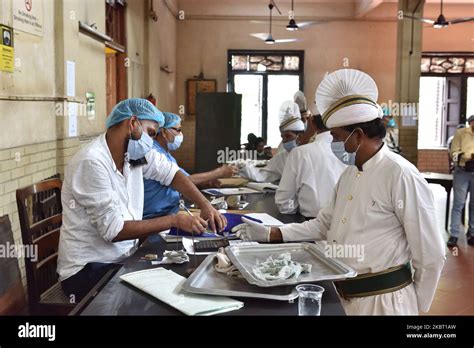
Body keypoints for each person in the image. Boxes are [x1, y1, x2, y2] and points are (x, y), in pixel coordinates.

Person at [239, 69, 445, 315]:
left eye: (336, 137)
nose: (333, 144)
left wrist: (414, 305)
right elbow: (324, 224)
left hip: (384, 303)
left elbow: (431, 254)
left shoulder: (400, 174)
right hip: (345, 295)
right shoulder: (350, 173)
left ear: (358, 135)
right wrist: (272, 233)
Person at [57, 99, 227, 301]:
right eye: (151, 133)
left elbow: (172, 174)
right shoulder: (92, 162)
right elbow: (114, 230)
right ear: (132, 123)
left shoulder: (134, 154)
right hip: (86, 271)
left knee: (179, 282)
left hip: (122, 258)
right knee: (162, 296)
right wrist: (174, 220)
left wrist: (205, 205)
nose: (151, 142)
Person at [143, 112, 238, 218]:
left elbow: (184, 178)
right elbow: (185, 180)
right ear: (164, 131)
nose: (181, 134)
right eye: (178, 130)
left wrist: (205, 182)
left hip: (170, 210)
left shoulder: (167, 155)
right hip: (155, 216)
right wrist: (220, 172)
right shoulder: (153, 153)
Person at [275, 115, 346, 218]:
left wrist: (296, 208)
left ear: (312, 124)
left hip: (311, 224)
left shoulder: (300, 153)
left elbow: (285, 204)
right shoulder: (353, 151)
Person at [239, 100, 304, 182]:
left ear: (300, 136)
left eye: (288, 136)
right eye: (282, 137)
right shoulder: (282, 158)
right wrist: (243, 167)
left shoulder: (310, 154)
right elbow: (263, 175)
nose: (285, 141)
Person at [447, 115, 474, 247]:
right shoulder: (461, 134)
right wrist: (466, 157)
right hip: (462, 171)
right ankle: (454, 234)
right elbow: (454, 152)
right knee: (459, 204)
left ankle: (472, 233)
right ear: (470, 123)